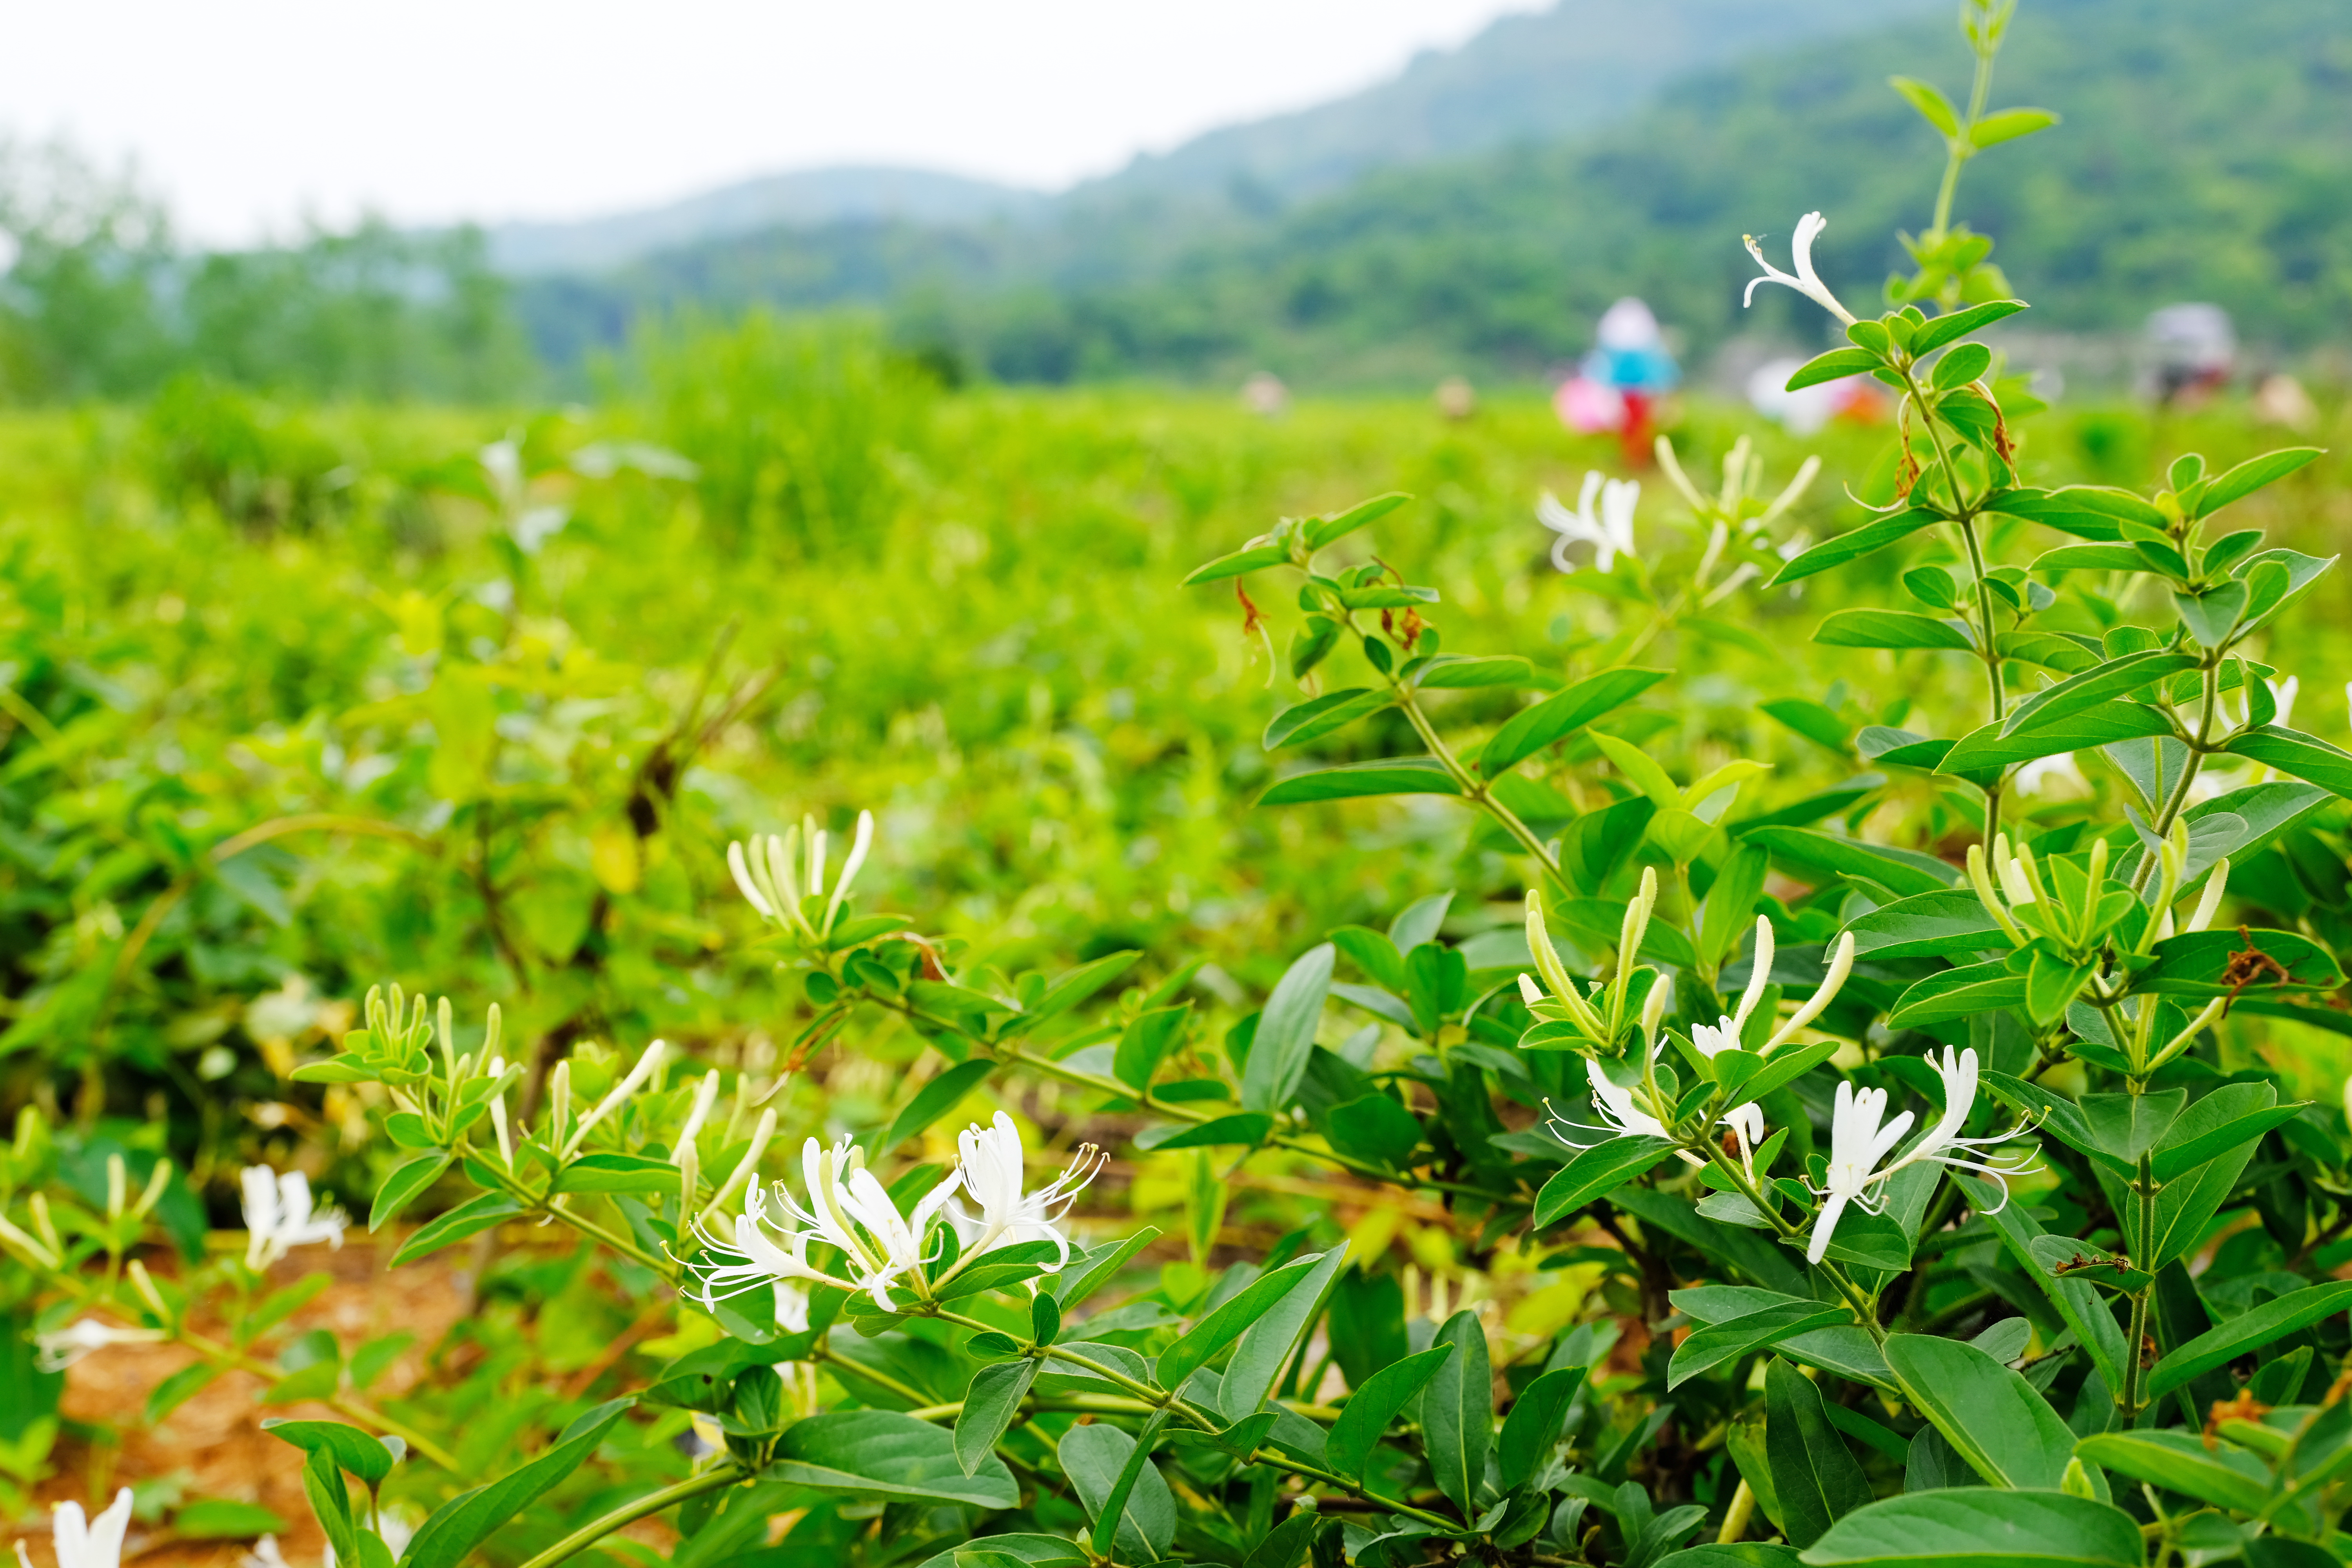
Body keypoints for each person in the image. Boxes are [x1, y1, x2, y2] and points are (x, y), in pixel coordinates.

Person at [1552, 298, 1679, 463]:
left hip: (1636, 395)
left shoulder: (1628, 352)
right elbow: (1657, 373)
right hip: (1633, 395)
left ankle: (1637, 460)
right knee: (1634, 430)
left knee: (1634, 429)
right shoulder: (1640, 351)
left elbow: (1611, 372)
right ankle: (1635, 460)